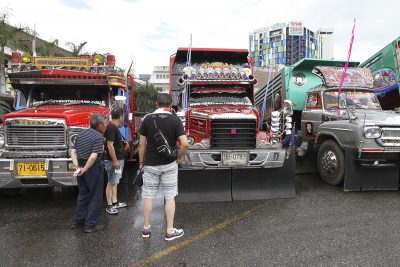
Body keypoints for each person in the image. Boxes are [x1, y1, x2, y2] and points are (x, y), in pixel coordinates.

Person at [138, 93, 188, 241]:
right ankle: (170, 232)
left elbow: (141, 144)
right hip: (169, 164)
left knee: (148, 195)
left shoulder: (147, 119)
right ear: (170, 105)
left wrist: (141, 163)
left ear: (156, 104)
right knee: (170, 196)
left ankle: (146, 228)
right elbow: (184, 143)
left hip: (150, 164)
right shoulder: (175, 119)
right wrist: (179, 158)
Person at [70, 113, 107, 233]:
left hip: (80, 165)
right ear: (100, 125)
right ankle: (90, 225)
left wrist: (77, 167)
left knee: (83, 194)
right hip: (92, 168)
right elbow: (93, 156)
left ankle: (78, 220)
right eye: (105, 124)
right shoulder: (98, 137)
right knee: (95, 196)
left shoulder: (81, 134)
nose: (106, 126)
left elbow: (73, 151)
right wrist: (85, 169)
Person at [104, 108, 129, 215]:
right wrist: (115, 161)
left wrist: (122, 142)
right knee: (111, 182)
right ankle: (109, 205)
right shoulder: (111, 127)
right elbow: (109, 145)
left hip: (118, 159)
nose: (122, 118)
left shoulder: (113, 127)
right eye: (122, 116)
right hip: (113, 160)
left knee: (115, 181)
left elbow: (113, 143)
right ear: (120, 117)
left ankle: (115, 202)